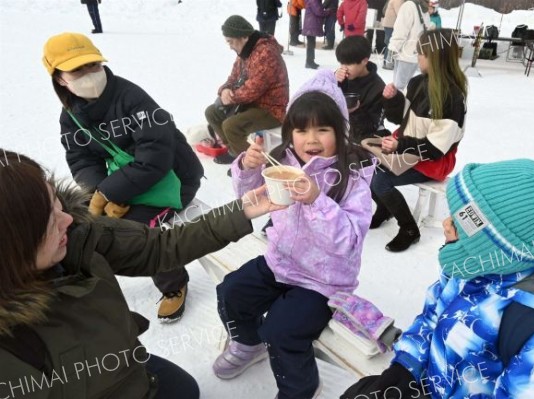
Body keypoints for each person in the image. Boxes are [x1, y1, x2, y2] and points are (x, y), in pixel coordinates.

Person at [0, 150, 283, 399]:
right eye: (49, 222)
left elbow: (158, 246)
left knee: (185, 390)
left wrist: (240, 213)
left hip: (126, 367)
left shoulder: (76, 237)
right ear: (12, 248)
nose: (67, 219)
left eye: (55, 203)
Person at [342, 154, 534, 399]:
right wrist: (404, 369)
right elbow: (435, 312)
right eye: (457, 212)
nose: (447, 224)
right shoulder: (477, 261)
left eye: (466, 220)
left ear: (503, 246)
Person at [212, 70, 376, 399]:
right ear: (290, 132)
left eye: (322, 129)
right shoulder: (283, 162)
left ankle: (300, 388)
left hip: (323, 281)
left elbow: (348, 243)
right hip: (281, 262)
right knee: (231, 292)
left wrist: (318, 201)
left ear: (340, 133)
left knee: (282, 330)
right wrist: (248, 167)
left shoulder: (351, 179)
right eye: (301, 129)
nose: (311, 139)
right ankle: (247, 342)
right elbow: (250, 197)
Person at [43, 32, 204, 322]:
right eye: (77, 70)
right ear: (59, 78)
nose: (89, 74)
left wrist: (110, 193)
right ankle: (89, 288)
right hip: (130, 183)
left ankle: (173, 283)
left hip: (175, 180)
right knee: (82, 224)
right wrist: (96, 196)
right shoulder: (71, 117)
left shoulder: (133, 98)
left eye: (93, 65)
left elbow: (155, 158)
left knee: (137, 229)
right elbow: (82, 159)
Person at [367, 29, 467, 252]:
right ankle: (385, 208)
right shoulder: (417, 83)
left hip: (432, 159)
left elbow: (437, 148)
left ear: (435, 57)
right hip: (407, 148)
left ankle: (409, 229)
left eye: (420, 53)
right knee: (365, 163)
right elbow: (401, 120)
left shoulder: (452, 97)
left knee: (380, 180)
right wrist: (392, 100)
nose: (417, 57)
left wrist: (400, 146)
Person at [205, 15, 289, 164]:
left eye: (230, 41)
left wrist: (231, 97)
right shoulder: (244, 52)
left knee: (231, 125)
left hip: (271, 109)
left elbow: (254, 88)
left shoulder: (266, 53)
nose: (230, 46)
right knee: (212, 112)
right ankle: (235, 152)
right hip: (249, 104)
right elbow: (233, 77)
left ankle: (250, 162)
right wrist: (224, 90)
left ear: (242, 37)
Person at [334, 35, 386, 143]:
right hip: (336, 137)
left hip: (358, 144)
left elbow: (373, 128)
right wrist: (334, 82)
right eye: (342, 63)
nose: (344, 67)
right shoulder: (341, 78)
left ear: (364, 61)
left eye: (349, 63)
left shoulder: (378, 89)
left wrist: (352, 111)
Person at [388, 0, 431, 90]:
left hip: (405, 53)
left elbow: (400, 31)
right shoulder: (423, 7)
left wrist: (392, 48)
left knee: (398, 88)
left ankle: (399, 103)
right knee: (406, 87)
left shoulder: (408, 6)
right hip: (416, 53)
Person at [303, 0, 331, 69]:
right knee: (311, 45)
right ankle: (309, 62)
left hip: (311, 24)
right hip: (311, 25)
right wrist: (328, 11)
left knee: (311, 44)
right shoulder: (314, 1)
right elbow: (319, 12)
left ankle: (311, 61)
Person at [381, 0, 405, 70]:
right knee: (390, 44)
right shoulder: (398, 1)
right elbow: (400, 13)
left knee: (389, 43)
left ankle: (387, 62)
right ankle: (387, 63)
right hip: (391, 25)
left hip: (389, 24)